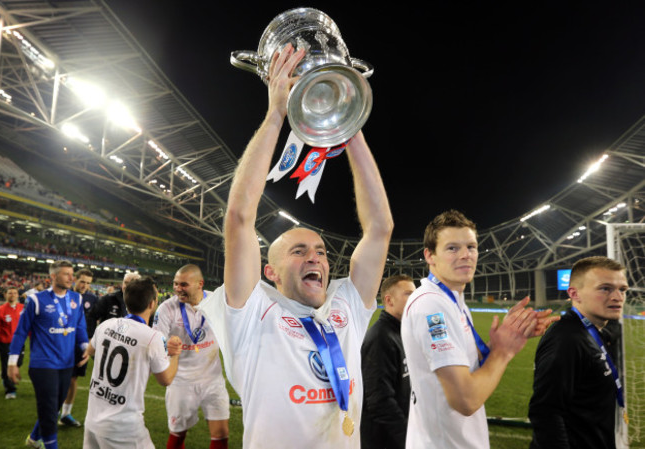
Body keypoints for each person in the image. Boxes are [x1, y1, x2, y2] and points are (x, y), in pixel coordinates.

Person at [198, 43, 393, 448]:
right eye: (299, 251)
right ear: (270, 272)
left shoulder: (346, 306)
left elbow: (379, 228)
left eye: (321, 251)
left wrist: (347, 124)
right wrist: (275, 116)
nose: (316, 258)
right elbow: (238, 218)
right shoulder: (252, 312)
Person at [400, 210, 558, 449]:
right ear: (429, 255)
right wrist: (503, 352)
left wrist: (501, 340)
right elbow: (466, 399)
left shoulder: (452, 299)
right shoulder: (432, 306)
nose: (466, 255)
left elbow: (465, 366)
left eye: (471, 247)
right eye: (452, 248)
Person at [529, 256, 628, 449]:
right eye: (605, 288)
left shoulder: (594, 331)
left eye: (622, 289)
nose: (618, 297)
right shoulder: (566, 340)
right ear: (574, 293)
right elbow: (546, 412)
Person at [82, 276, 183, 449]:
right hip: (124, 429)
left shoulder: (106, 325)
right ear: (152, 304)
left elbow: (90, 350)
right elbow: (165, 379)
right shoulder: (152, 337)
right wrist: (175, 355)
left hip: (92, 421)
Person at [8, 260, 89, 449]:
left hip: (66, 363)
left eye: (72, 274)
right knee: (49, 409)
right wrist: (12, 362)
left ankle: (34, 439)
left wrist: (85, 346)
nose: (71, 278)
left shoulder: (76, 299)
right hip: (43, 364)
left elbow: (79, 326)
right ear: (53, 276)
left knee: (54, 407)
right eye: (66, 274)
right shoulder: (36, 300)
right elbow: (21, 331)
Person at [153, 264, 230, 449]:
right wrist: (167, 346)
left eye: (184, 284)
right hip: (181, 381)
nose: (178, 289)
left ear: (199, 284)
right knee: (178, 433)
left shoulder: (217, 302)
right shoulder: (166, 309)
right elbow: (156, 342)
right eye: (175, 284)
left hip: (212, 379)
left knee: (221, 433)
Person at [361, 275, 416, 449]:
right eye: (408, 294)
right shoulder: (380, 338)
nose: (414, 299)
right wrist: (407, 438)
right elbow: (379, 400)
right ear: (389, 300)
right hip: (383, 440)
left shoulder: (402, 333)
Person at [59, 268, 98, 427]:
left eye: (88, 283)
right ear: (75, 279)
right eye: (82, 281)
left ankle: (66, 414)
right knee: (60, 378)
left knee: (73, 379)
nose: (84, 285)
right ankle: (52, 412)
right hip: (62, 342)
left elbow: (96, 321)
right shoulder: (63, 294)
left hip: (81, 345)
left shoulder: (93, 299)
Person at [0, 286, 24, 399]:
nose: (12, 295)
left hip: (19, 342)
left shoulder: (23, 308)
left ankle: (4, 374)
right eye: (10, 293)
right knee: (8, 365)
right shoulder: (0, 310)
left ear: (18, 295)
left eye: (14, 293)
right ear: (6, 295)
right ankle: (10, 390)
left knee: (18, 363)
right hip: (5, 342)